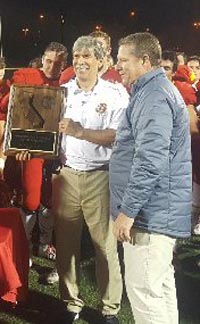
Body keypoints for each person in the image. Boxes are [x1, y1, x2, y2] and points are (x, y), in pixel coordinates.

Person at [109, 32, 192, 324]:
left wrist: (127, 212)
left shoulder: (154, 95)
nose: (116, 65)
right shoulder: (152, 90)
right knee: (159, 290)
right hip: (157, 211)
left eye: (123, 60)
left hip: (149, 215)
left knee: (145, 292)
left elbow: (150, 159)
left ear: (144, 60)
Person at [53, 35, 129, 324]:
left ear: (100, 60)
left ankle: (110, 309)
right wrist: (28, 145)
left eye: (87, 56)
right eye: (76, 56)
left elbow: (120, 136)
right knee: (66, 246)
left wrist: (81, 132)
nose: (81, 61)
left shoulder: (115, 93)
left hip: (101, 176)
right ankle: (71, 304)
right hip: (67, 175)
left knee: (105, 248)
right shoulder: (62, 92)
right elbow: (44, 132)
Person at [4, 42, 68, 265]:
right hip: (31, 149)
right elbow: (11, 108)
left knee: (52, 200)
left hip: (59, 150)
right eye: (49, 61)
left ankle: (43, 243)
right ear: (42, 60)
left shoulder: (69, 82)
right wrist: (16, 144)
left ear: (64, 65)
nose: (52, 66)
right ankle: (24, 246)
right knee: (30, 199)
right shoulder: (26, 77)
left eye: (58, 63)